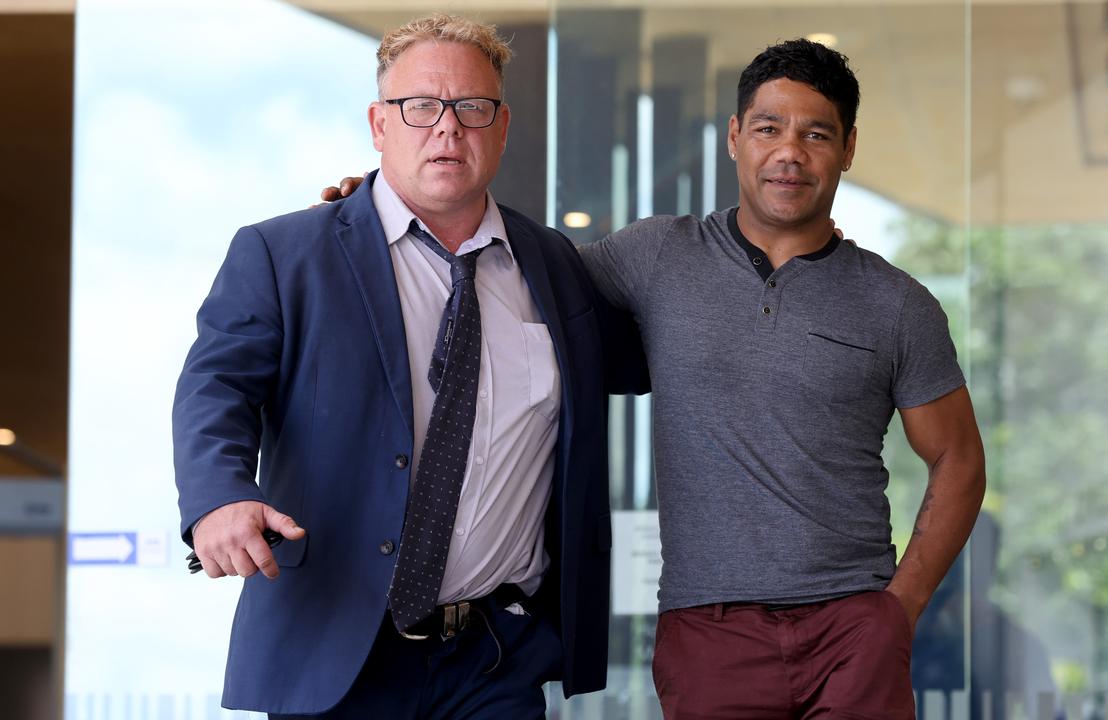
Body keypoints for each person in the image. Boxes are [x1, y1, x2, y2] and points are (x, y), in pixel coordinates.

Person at [326, 38, 985, 720]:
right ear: (735, 138)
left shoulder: (896, 303)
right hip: (708, 629)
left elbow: (958, 459)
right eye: (767, 129)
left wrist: (897, 609)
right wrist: (381, 209)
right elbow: (507, 277)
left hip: (854, 624)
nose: (789, 152)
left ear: (848, 148)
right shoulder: (657, 254)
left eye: (816, 134)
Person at [173, 13, 643, 719]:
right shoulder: (288, 254)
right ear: (379, 122)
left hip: (496, 659)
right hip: (338, 648)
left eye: (471, 108)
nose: (446, 128)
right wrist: (217, 495)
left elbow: (658, 356)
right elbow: (218, 385)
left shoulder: (556, 268)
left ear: (503, 126)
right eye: (420, 106)